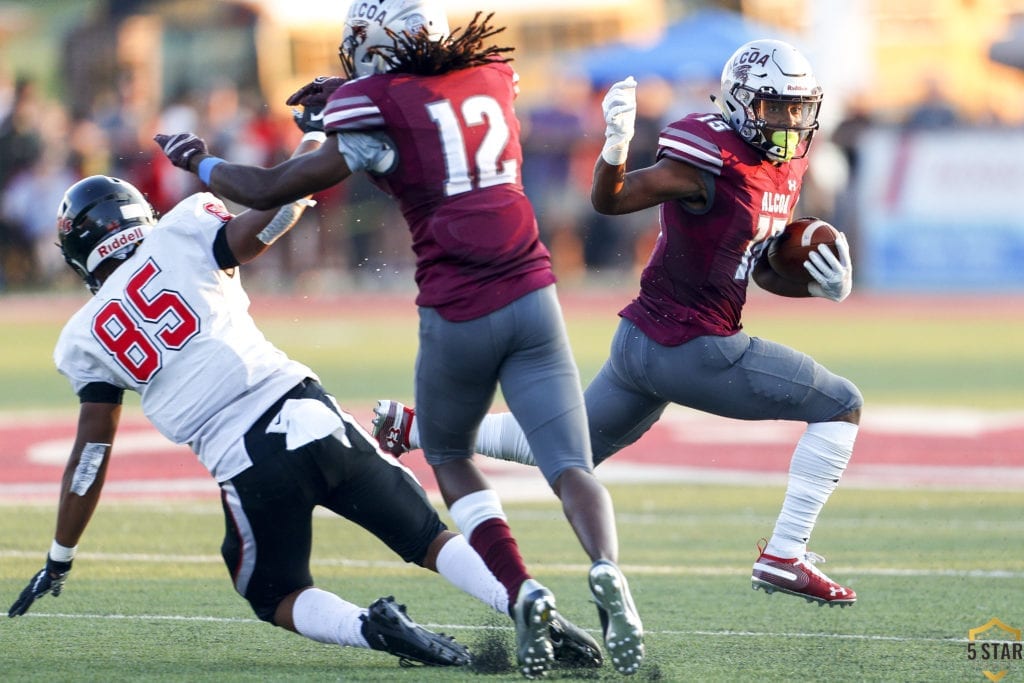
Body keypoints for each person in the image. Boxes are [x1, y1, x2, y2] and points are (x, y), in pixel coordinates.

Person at [151, 5, 643, 678]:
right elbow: (422, 109)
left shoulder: (374, 102)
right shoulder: (492, 75)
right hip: (535, 295)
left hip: (459, 311)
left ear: (375, 54)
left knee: (446, 451)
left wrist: (199, 162)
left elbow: (268, 186)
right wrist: (348, 101)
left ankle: (523, 586)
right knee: (571, 462)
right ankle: (607, 565)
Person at [7, 143, 601, 669]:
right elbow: (282, 213)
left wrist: (61, 554)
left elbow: (92, 454)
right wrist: (315, 144)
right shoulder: (183, 228)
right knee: (426, 536)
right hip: (308, 409)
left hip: (245, 458)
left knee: (271, 592)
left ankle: (371, 628)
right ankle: (523, 600)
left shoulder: (83, 336)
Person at [373, 39, 862, 608]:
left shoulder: (785, 164)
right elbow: (613, 200)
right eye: (777, 108)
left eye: (799, 108)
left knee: (565, 450)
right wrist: (616, 146)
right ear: (741, 103)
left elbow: (760, 266)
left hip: (643, 344)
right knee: (839, 404)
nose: (790, 122)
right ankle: (784, 555)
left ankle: (411, 427)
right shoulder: (710, 158)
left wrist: (823, 285)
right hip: (692, 347)